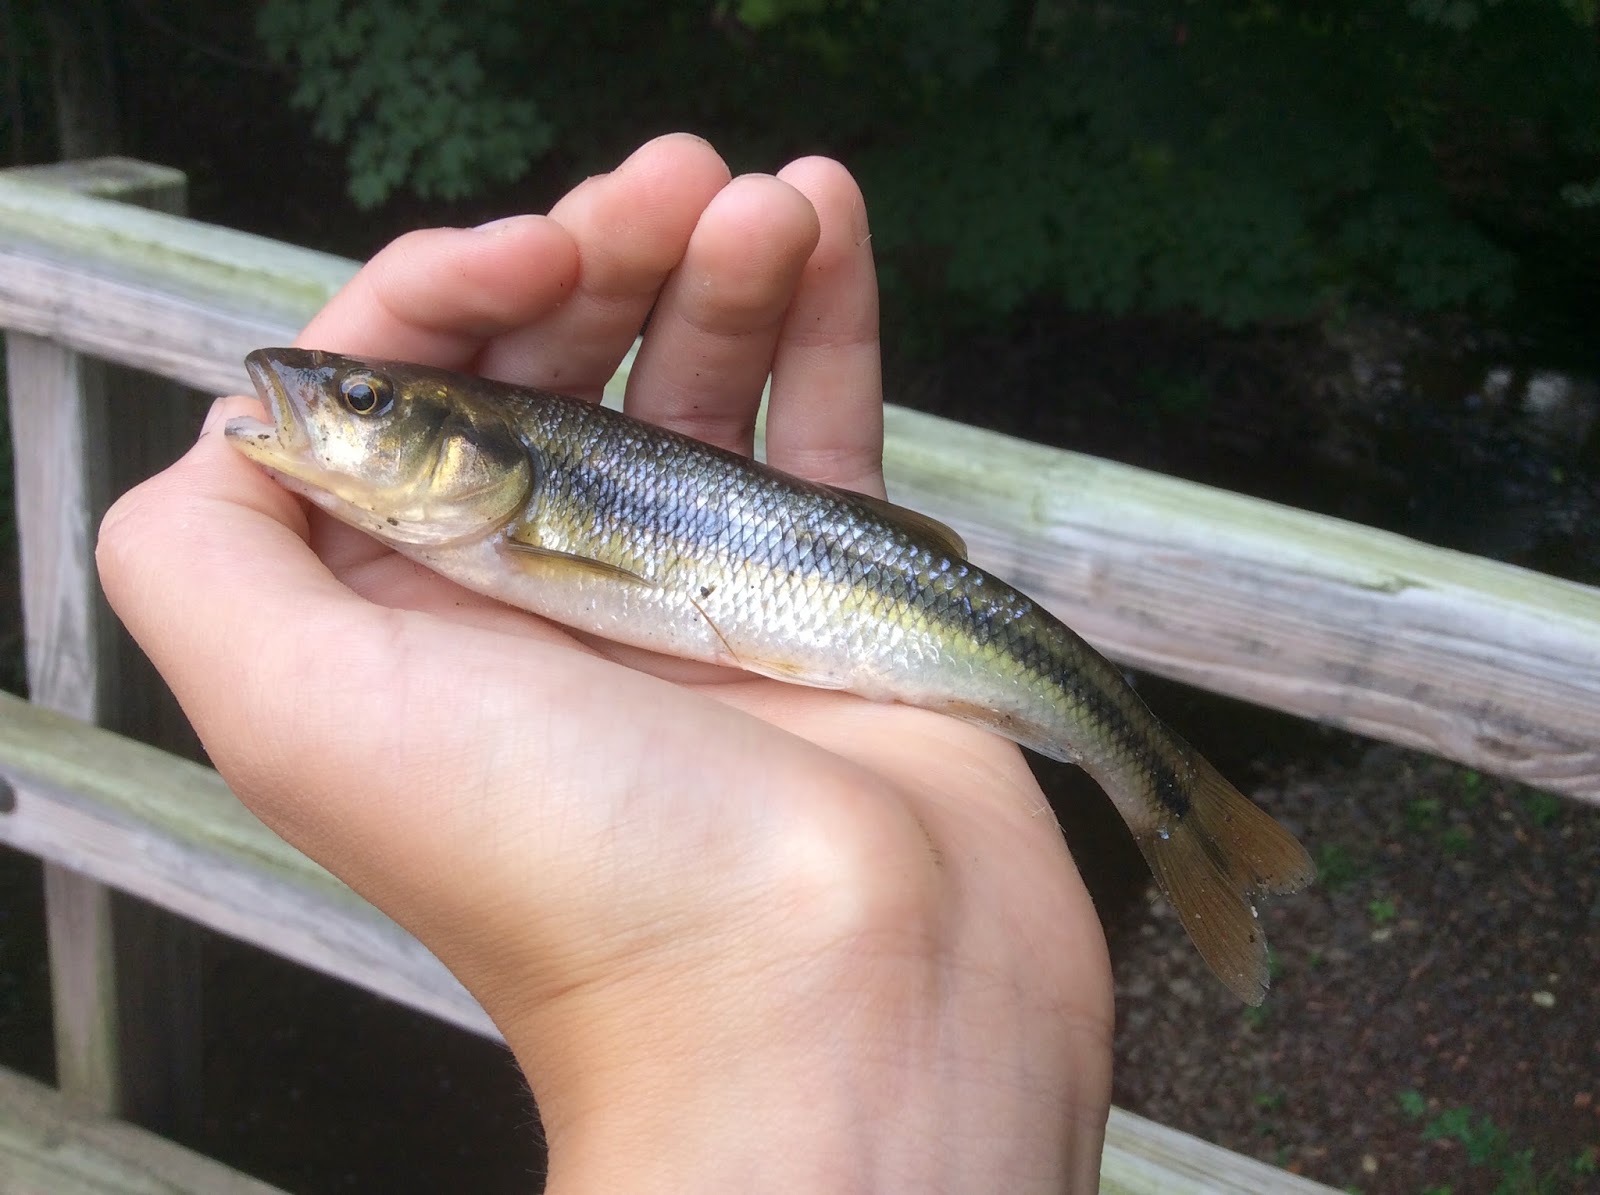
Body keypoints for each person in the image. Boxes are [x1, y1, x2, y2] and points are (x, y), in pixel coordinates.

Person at [97, 133, 1113, 1192]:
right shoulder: (471, 524)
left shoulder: (505, 513)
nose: (331, 407)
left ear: (475, 450)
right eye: (363, 400)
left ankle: (1160, 790)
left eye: (365, 403)